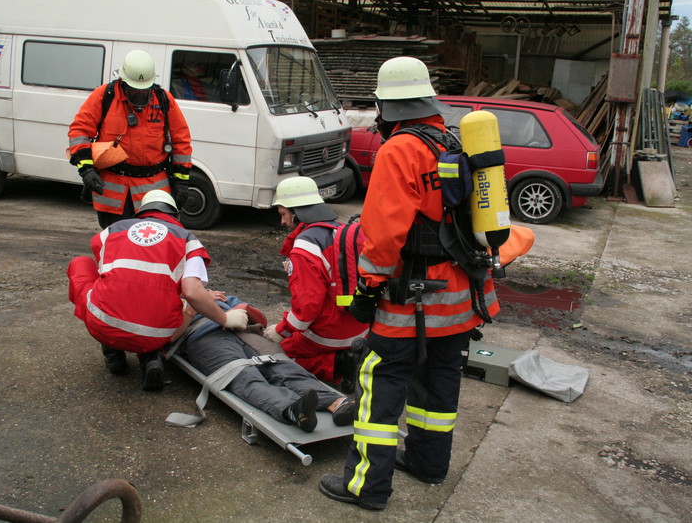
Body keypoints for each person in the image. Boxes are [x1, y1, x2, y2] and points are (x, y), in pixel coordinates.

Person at [318, 56, 514, 510]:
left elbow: (384, 236)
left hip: (412, 300)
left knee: (379, 385)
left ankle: (366, 487)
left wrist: (367, 289)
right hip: (462, 298)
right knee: (438, 384)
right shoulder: (454, 141)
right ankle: (428, 464)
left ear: (387, 107)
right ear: (426, 100)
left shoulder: (399, 150)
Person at [66, 190, 248, 391]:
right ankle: (152, 356)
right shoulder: (189, 241)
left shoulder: (112, 230)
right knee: (162, 298)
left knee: (81, 264)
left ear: (141, 213)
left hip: (103, 326)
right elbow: (192, 292)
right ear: (176, 216)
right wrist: (224, 318)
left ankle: (112, 350)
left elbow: (117, 279)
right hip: (158, 334)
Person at [172, 292, 356, 432]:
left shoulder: (218, 295)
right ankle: (292, 409)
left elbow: (261, 320)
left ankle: (337, 403)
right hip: (204, 337)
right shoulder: (173, 304)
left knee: (281, 365)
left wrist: (242, 308)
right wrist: (195, 305)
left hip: (244, 331)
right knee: (243, 375)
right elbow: (170, 336)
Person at [263, 176, 369, 393]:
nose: (282, 222)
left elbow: (307, 308)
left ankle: (341, 363)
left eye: (283, 214)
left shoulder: (305, 246)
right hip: (360, 326)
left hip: (331, 333)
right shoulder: (340, 230)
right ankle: (349, 356)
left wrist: (281, 331)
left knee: (279, 354)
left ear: (296, 212)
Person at [68, 50, 193, 229]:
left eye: (144, 91)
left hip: (154, 192)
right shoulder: (105, 96)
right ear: (123, 82)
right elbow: (80, 130)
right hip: (114, 192)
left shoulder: (164, 100)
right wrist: (86, 169)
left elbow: (181, 141)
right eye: (134, 91)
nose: (139, 96)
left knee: (152, 241)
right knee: (117, 241)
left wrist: (181, 182)